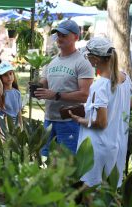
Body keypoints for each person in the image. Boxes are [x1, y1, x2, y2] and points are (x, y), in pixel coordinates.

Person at [69, 37, 132, 187]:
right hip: (117, 145)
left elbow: (101, 123)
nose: (87, 59)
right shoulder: (125, 78)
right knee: (109, 191)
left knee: (91, 192)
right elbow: (128, 105)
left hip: (98, 147)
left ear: (96, 59)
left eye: (87, 56)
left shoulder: (100, 86)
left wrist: (79, 119)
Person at [34, 19, 94, 155]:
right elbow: (44, 83)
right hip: (49, 120)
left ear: (76, 37)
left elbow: (85, 95)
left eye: (64, 35)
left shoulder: (82, 62)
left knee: (66, 166)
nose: (59, 38)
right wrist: (36, 87)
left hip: (69, 121)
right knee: (45, 161)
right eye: (58, 34)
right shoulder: (51, 61)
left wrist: (57, 95)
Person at [0, 61, 23, 132]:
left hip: (16, 126)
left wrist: (21, 127)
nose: (9, 77)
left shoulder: (17, 93)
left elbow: (19, 112)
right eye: (5, 75)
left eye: (10, 73)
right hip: (4, 126)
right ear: (0, 78)